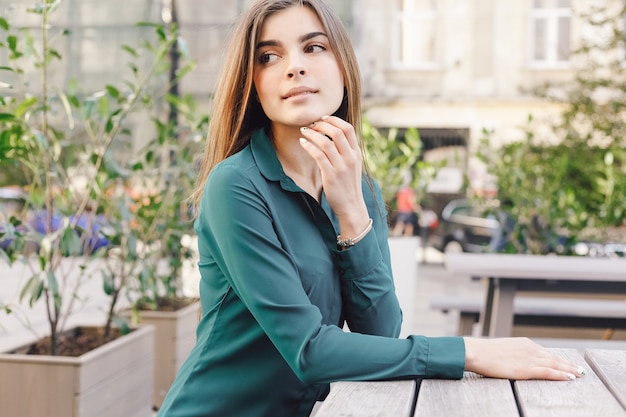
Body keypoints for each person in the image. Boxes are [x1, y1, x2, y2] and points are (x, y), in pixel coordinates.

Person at [156, 1, 584, 416]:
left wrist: (353, 213)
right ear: (252, 83)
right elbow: (310, 351)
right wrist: (470, 351)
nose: (294, 66)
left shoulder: (359, 190)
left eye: (314, 47)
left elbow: (379, 334)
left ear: (342, 66)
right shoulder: (235, 186)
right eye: (268, 56)